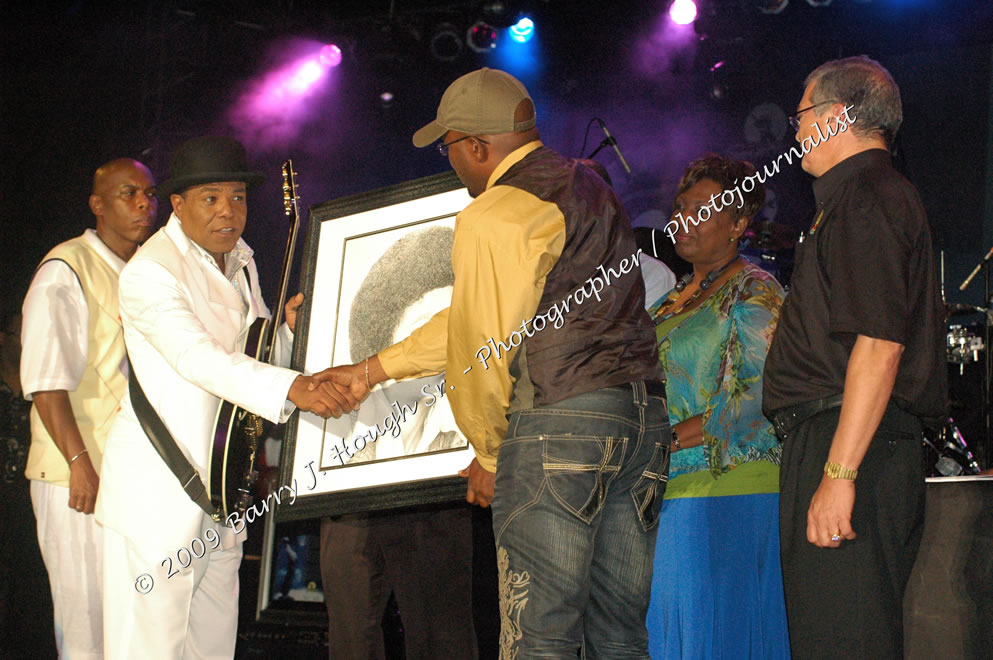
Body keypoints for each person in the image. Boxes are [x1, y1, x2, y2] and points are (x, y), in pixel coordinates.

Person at [324, 68, 670, 657]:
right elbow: (476, 317)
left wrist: (491, 452)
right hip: (641, 423)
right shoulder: (590, 186)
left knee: (539, 636)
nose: (452, 161)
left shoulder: (496, 211)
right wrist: (370, 371)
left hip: (561, 425)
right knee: (618, 637)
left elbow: (484, 346)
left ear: (478, 146)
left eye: (450, 147)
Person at [94, 136, 353, 659]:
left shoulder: (240, 261)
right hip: (160, 498)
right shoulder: (151, 271)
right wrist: (292, 388)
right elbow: (198, 357)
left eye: (237, 197)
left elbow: (251, 354)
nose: (227, 211)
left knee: (212, 649)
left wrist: (286, 331)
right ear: (178, 204)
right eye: (210, 198)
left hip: (221, 494)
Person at [762, 56, 947, 659]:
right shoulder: (855, 198)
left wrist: (839, 474)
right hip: (842, 438)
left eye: (801, 115)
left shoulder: (866, 196)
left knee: (846, 639)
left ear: (836, 115)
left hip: (851, 445)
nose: (795, 131)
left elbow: (881, 344)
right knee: (832, 636)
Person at [644, 155, 790, 659]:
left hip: (727, 489)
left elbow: (753, 399)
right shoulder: (668, 301)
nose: (683, 219)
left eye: (702, 209)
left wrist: (660, 440)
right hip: (667, 490)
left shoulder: (756, 288)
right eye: (680, 207)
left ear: (738, 223)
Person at [18, 158, 157, 658]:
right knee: (87, 631)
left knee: (131, 629)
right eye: (128, 194)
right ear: (98, 205)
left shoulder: (146, 270)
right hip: (76, 477)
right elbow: (45, 383)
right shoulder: (66, 269)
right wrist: (79, 464)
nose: (143, 204)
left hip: (129, 476)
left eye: (149, 194)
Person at [319, 226, 477, 660]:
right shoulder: (344, 450)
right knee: (351, 638)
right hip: (349, 500)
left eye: (453, 336)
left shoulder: (458, 440)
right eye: (427, 335)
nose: (443, 353)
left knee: (442, 634)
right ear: (384, 336)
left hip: (436, 500)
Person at [1, 290, 58, 659]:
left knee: (33, 592)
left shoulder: (41, 391)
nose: (25, 340)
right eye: (18, 333)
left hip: (30, 502)